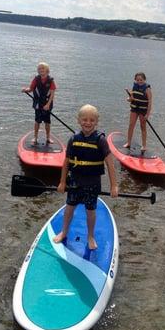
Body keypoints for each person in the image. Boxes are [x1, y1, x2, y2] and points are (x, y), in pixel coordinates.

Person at [53, 104, 118, 250]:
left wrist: (114, 185)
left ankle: (90, 236)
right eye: (84, 120)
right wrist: (62, 182)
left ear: (96, 121)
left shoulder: (100, 140)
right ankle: (64, 232)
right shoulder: (73, 139)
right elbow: (66, 162)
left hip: (92, 182)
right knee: (69, 207)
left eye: (91, 120)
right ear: (78, 120)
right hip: (75, 181)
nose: (88, 123)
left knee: (90, 210)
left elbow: (110, 164)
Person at [21, 62, 56, 144]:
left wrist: (48, 105)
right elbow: (31, 88)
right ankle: (35, 137)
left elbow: (52, 94)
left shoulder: (51, 81)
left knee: (47, 122)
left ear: (47, 70)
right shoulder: (36, 79)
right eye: (39, 69)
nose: (41, 70)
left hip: (47, 104)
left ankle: (48, 137)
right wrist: (25, 90)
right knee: (37, 121)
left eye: (43, 68)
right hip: (38, 103)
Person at [124, 72, 152, 153]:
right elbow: (130, 98)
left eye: (141, 80)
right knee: (131, 125)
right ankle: (128, 142)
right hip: (134, 109)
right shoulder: (134, 87)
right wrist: (129, 99)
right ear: (135, 80)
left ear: (144, 80)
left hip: (143, 111)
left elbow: (150, 102)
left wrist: (147, 114)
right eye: (137, 80)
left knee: (143, 127)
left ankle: (144, 145)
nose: (139, 81)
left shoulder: (147, 89)